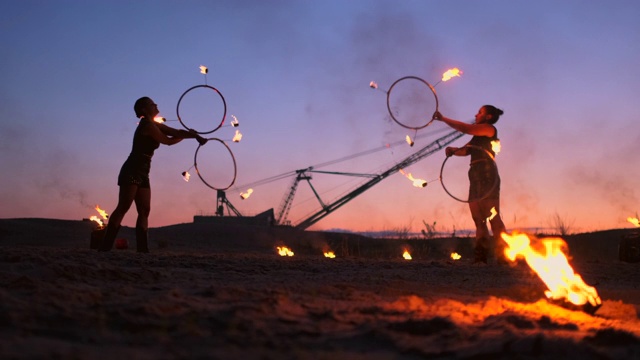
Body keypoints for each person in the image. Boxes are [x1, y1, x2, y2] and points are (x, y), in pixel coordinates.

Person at [98, 97, 207, 253]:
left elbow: (174, 132)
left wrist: (195, 136)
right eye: (151, 104)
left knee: (144, 210)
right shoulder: (147, 126)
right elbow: (167, 141)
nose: (156, 105)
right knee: (123, 207)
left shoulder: (154, 124)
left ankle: (142, 249)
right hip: (132, 169)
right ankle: (105, 247)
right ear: (143, 110)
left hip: (143, 171)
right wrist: (189, 136)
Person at [433, 105, 507, 264]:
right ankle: (481, 257)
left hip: (487, 173)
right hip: (474, 174)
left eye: (480, 112)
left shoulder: (489, 129)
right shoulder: (477, 137)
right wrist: (454, 150)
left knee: (493, 216)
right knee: (478, 218)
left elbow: (466, 128)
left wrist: (444, 118)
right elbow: (466, 151)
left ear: (488, 117)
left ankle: (504, 256)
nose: (476, 114)